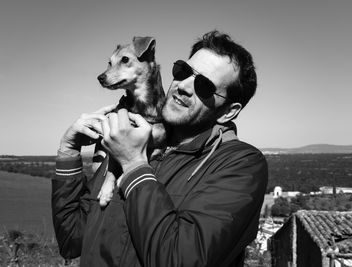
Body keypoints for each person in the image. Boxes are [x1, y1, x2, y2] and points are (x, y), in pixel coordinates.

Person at [52, 30, 268, 267]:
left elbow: (180, 260)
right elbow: (71, 240)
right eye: (183, 71)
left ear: (228, 111)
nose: (183, 85)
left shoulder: (240, 165)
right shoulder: (125, 142)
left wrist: (134, 164)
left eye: (204, 85)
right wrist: (69, 152)